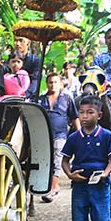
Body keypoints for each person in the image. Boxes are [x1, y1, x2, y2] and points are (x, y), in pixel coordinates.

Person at [61, 95, 111, 221]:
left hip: (100, 185)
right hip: (80, 186)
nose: (85, 116)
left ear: (99, 115)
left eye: (90, 112)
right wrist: (71, 174)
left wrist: (105, 174)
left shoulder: (107, 135)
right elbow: (65, 160)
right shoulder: (74, 137)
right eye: (81, 113)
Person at [38, 73, 80, 202]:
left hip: (60, 134)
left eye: (55, 82)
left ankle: (52, 188)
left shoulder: (66, 98)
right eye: (50, 82)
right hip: (43, 134)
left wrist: (80, 134)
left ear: (61, 84)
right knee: (45, 161)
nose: (53, 85)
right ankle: (48, 185)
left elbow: (74, 117)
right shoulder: (40, 99)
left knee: (57, 160)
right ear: (47, 84)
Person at [9, 35, 41, 100]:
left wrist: (24, 96)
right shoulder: (9, 60)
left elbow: (35, 81)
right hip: (10, 97)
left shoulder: (35, 61)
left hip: (29, 98)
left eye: (21, 41)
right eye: (16, 41)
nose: (17, 44)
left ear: (28, 43)